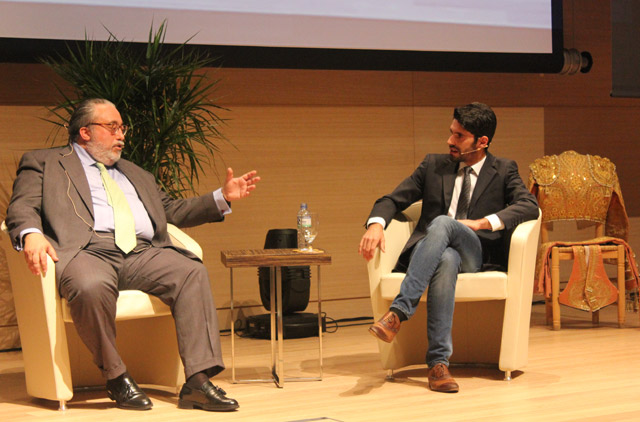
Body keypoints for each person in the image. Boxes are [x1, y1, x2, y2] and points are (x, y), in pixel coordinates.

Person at [6, 98, 260, 411]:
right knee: (90, 286)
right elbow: (21, 206)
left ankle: (197, 380)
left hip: (142, 251)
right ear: (85, 132)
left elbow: (170, 210)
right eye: (112, 127)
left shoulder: (136, 173)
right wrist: (31, 234)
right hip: (87, 250)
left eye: (122, 128)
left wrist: (221, 198)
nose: (122, 134)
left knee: (190, 271)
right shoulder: (45, 162)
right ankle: (116, 377)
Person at [359, 102, 538, 393]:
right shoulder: (433, 166)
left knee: (444, 223)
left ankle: (399, 313)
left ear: (482, 141)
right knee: (446, 258)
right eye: (451, 133)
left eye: (459, 136)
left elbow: (528, 205)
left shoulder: (503, 169)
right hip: (433, 253)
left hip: (476, 253)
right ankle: (439, 365)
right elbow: (391, 199)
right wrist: (376, 224)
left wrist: (481, 223)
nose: (449, 141)